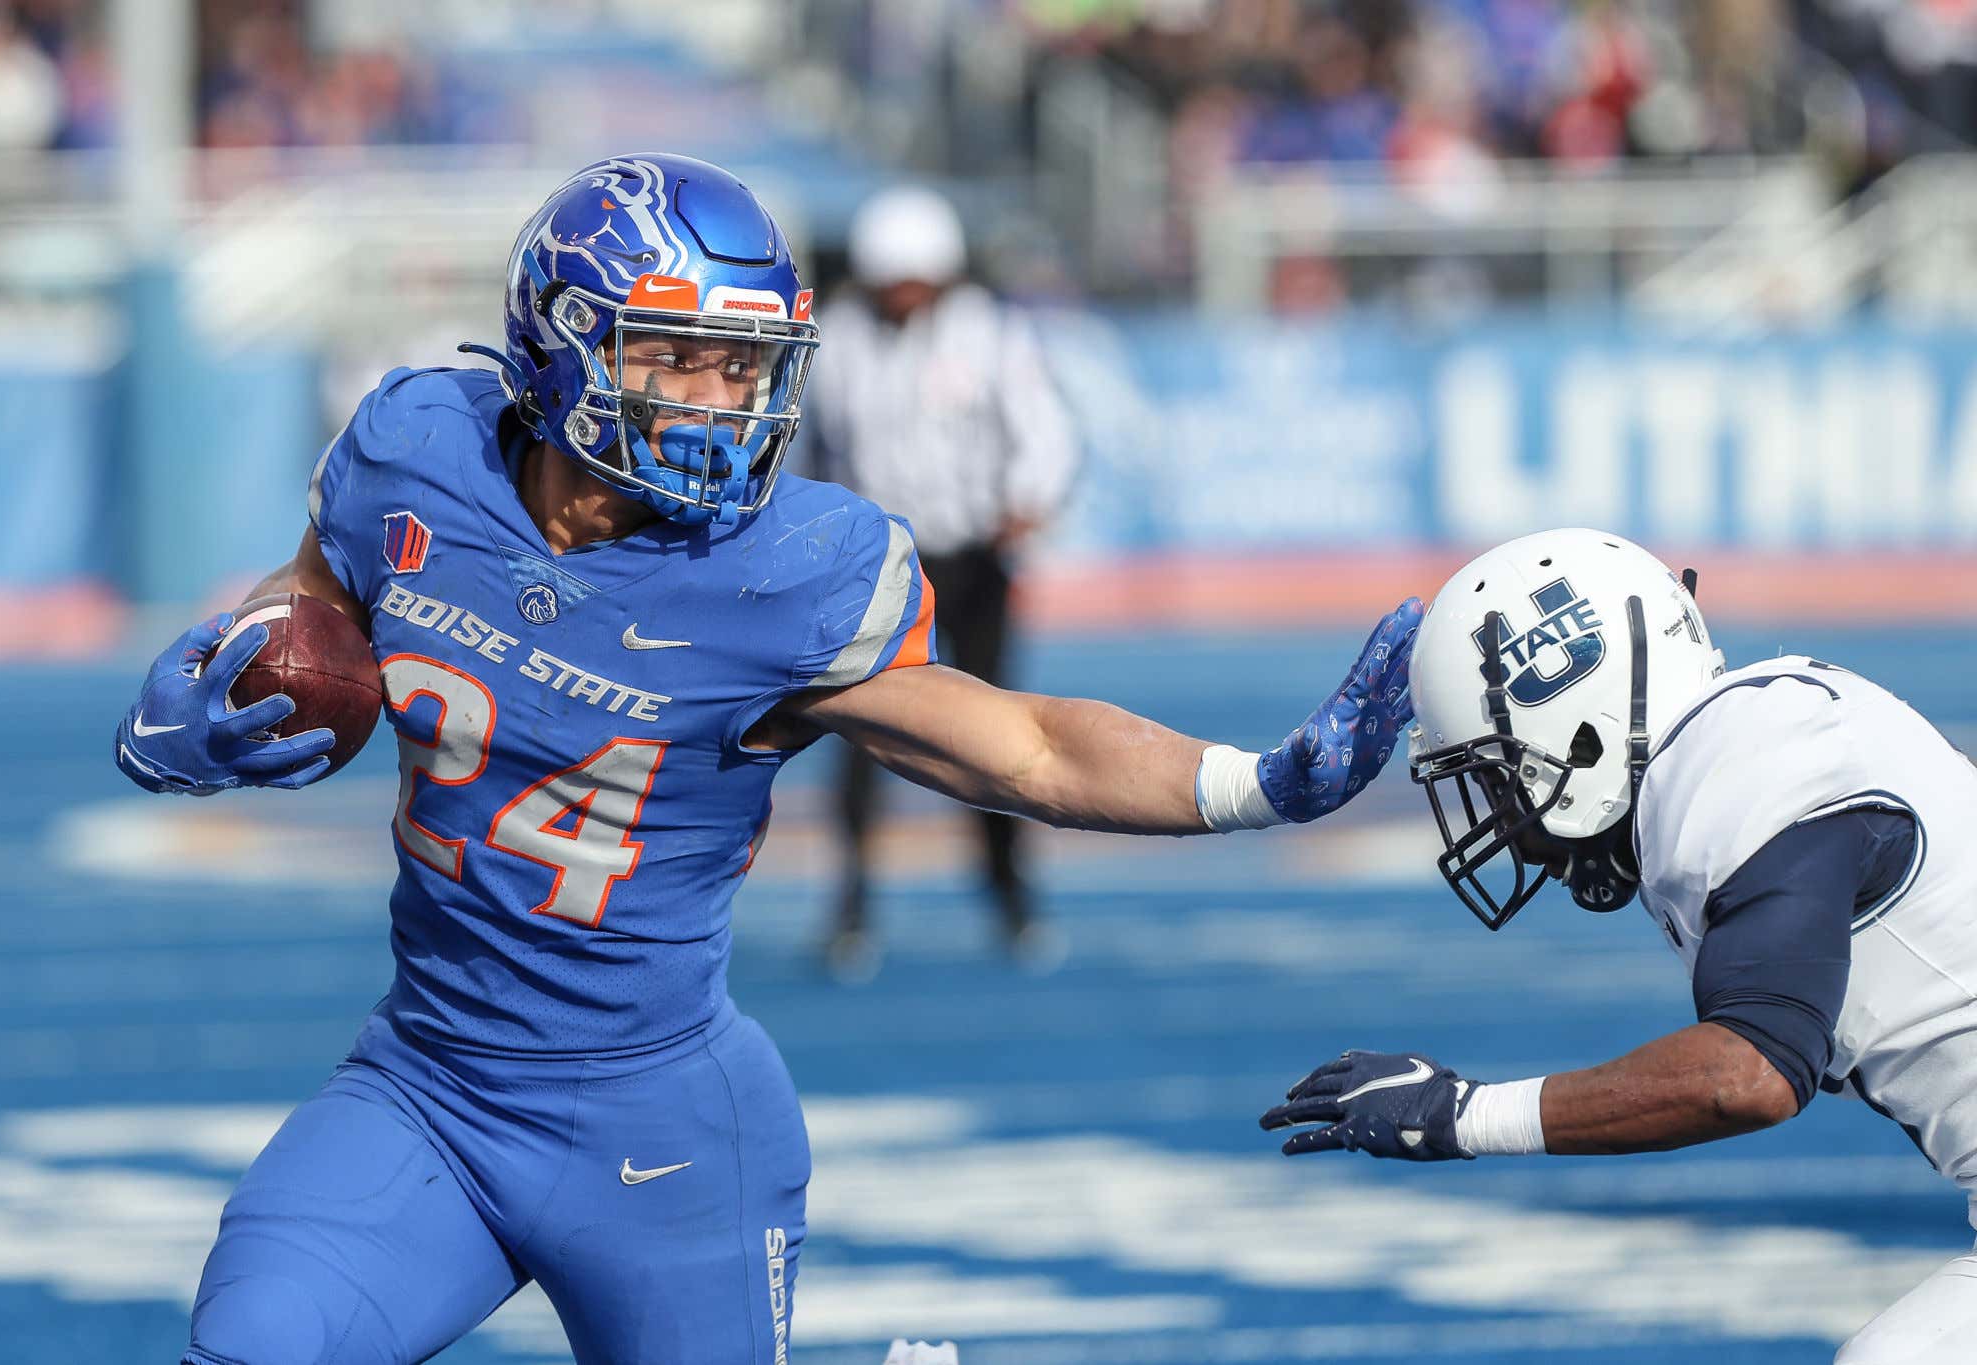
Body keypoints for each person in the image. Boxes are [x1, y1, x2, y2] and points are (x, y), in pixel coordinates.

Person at [113, 152, 1422, 1365]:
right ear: (567, 343)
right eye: (685, 358)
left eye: (748, 367)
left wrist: (1251, 782)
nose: (727, 403)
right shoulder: (415, 448)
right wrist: (186, 703)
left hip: (661, 1132)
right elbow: (297, 616)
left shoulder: (789, 571)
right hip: (425, 1088)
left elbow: (1018, 741)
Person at [1258, 527, 1977, 1365]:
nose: (1508, 832)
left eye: (1498, 779)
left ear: (1580, 733)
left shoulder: (1740, 767)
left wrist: (1464, 1114)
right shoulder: (1756, 731)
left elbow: (1746, 1075)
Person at [809, 184, 1079, 980]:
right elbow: (816, 448)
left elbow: (1042, 428)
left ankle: (1011, 896)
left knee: (995, 727)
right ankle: (852, 905)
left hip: (969, 558)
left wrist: (1028, 500)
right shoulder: (839, 340)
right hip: (874, 561)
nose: (901, 296)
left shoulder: (989, 334)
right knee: (858, 731)